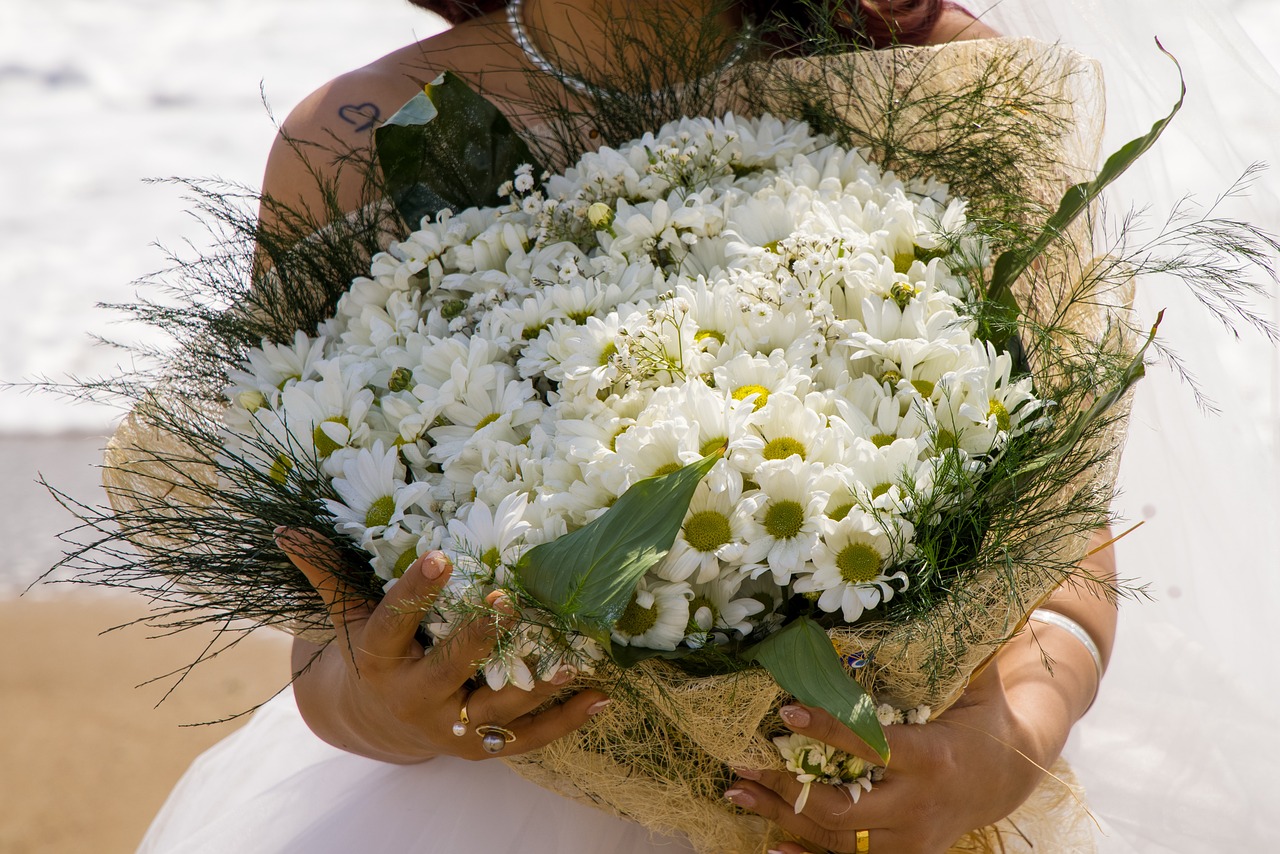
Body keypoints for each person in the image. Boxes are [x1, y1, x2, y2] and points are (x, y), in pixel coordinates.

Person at [139, 0, 1271, 850]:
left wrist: (1001, 748)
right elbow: (326, 633)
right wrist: (390, 707)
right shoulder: (362, 134)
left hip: (879, 796)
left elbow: (1056, 527)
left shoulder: (941, 82)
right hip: (495, 806)